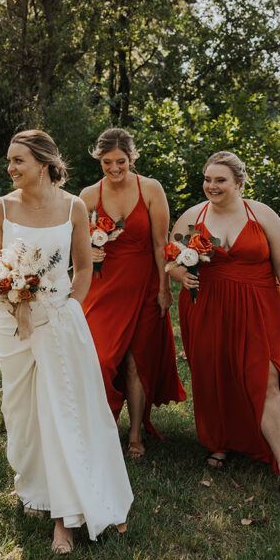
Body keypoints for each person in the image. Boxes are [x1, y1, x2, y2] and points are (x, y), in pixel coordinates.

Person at [0, 130, 133, 555]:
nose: (10, 168)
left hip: (58, 322)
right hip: (9, 324)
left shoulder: (74, 207)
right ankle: (35, 489)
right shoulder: (1, 209)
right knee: (22, 411)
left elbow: (83, 269)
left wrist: (69, 309)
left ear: (44, 163)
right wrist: (11, 298)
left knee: (59, 412)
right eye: (9, 161)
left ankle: (64, 520)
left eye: (18, 161)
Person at [170, 151, 280, 489]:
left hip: (260, 306)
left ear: (238, 183)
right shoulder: (191, 216)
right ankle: (221, 442)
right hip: (207, 305)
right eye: (207, 179)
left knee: (267, 377)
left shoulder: (262, 215)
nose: (211, 186)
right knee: (214, 374)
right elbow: (171, 258)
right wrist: (180, 276)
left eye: (220, 180)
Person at [78, 128, 186, 458]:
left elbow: (160, 243)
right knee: (100, 358)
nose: (114, 168)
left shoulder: (151, 189)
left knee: (136, 362)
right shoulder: (87, 196)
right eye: (107, 162)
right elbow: (77, 246)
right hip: (104, 286)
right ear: (99, 160)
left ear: (131, 158)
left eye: (121, 161)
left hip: (144, 285)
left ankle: (136, 435)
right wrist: (89, 253)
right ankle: (101, 424)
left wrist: (164, 288)